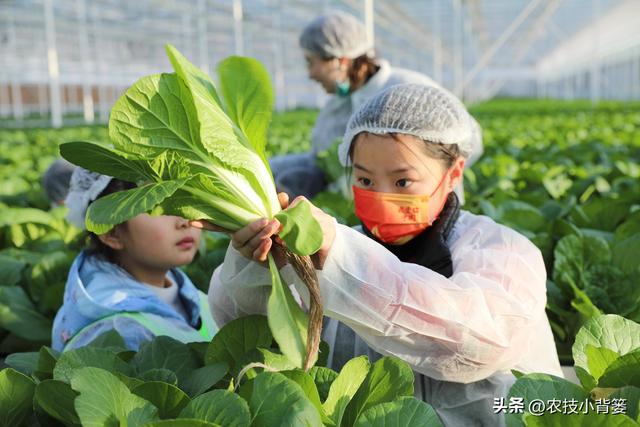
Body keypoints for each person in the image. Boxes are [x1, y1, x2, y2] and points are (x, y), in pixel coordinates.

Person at [207, 84, 561, 426]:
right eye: (364, 181)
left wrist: (345, 260)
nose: (380, 195)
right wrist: (257, 264)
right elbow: (252, 333)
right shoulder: (327, 253)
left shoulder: (501, 250)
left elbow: (482, 340)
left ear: (454, 173)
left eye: (402, 182)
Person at [270, 10, 483, 201]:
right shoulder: (336, 107)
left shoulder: (407, 89)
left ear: (339, 60)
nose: (310, 74)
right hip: (364, 221)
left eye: (312, 62)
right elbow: (319, 160)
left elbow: (469, 139)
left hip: (425, 217)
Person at [51, 168, 217, 352]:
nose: (184, 220)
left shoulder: (194, 296)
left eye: (185, 200)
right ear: (111, 233)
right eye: (157, 207)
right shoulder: (114, 333)